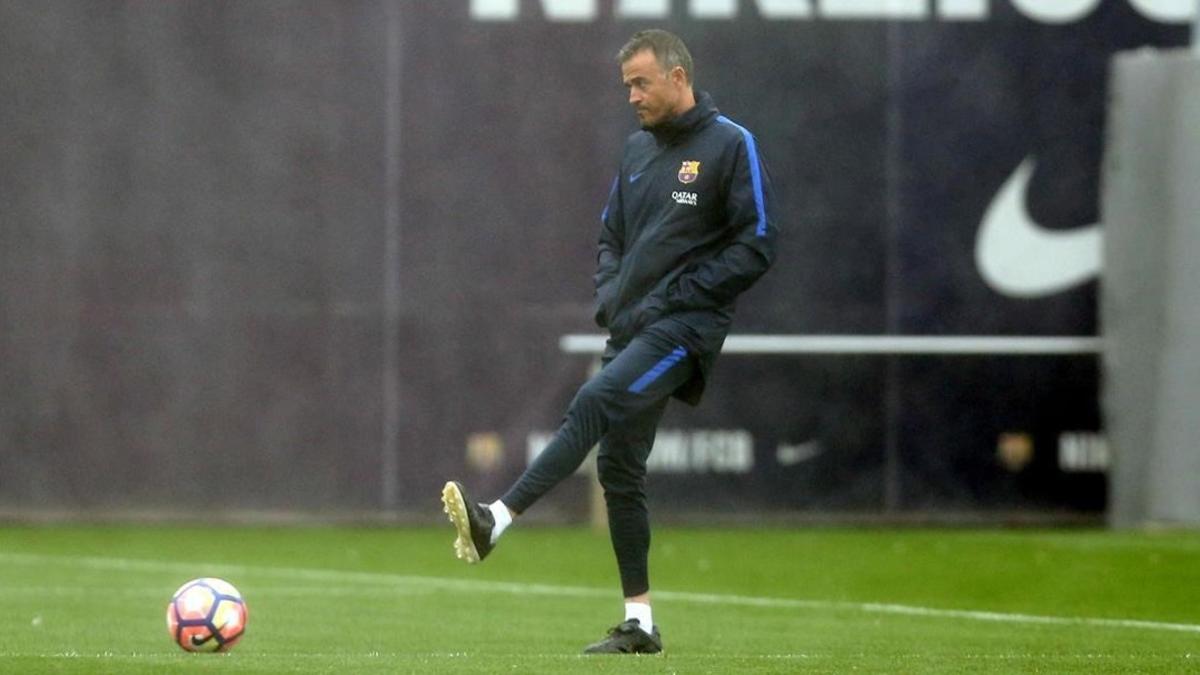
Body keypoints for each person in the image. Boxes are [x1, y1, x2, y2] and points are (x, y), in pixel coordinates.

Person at [442, 28, 778, 655]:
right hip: (631, 329)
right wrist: (609, 294)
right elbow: (610, 237)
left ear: (678, 78)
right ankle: (641, 624)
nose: (631, 96)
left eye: (641, 83)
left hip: (684, 330)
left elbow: (757, 243)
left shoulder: (731, 145)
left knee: (594, 400)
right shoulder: (636, 153)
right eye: (626, 85)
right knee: (621, 470)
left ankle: (497, 518)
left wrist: (679, 297)